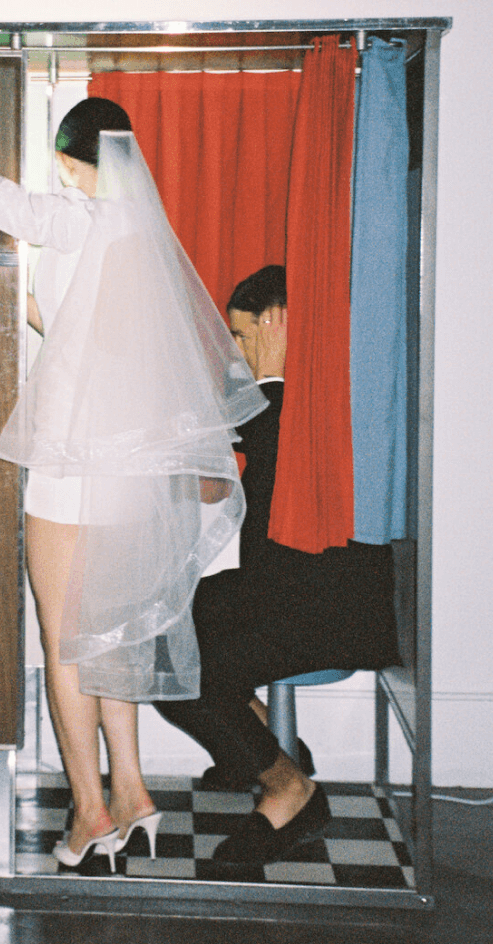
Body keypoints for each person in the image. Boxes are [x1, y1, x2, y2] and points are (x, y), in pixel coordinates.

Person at [0, 15, 266, 871]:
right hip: (135, 473)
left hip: (71, 465)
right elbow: (101, 340)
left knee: (65, 640)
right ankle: (134, 790)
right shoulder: (147, 242)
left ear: (68, 164)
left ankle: (90, 810)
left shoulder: (74, 220)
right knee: (113, 634)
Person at [154, 265, 401, 866]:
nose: (237, 352)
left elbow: (233, 432)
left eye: (241, 336)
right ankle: (277, 755)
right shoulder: (283, 402)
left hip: (331, 606)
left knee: (177, 666)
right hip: (282, 586)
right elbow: (221, 464)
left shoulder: (300, 398)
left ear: (277, 320)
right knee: (158, 634)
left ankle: (289, 789)